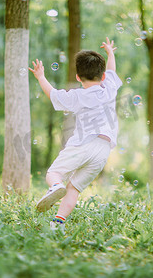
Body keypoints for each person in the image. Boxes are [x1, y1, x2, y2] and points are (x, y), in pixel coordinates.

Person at [28, 37, 122, 232]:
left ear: (78, 77)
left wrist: (40, 77)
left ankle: (55, 186)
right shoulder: (110, 88)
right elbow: (112, 70)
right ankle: (58, 223)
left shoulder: (77, 96)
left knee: (54, 173)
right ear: (103, 76)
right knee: (74, 188)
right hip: (103, 149)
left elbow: (52, 94)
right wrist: (110, 52)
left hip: (82, 144)